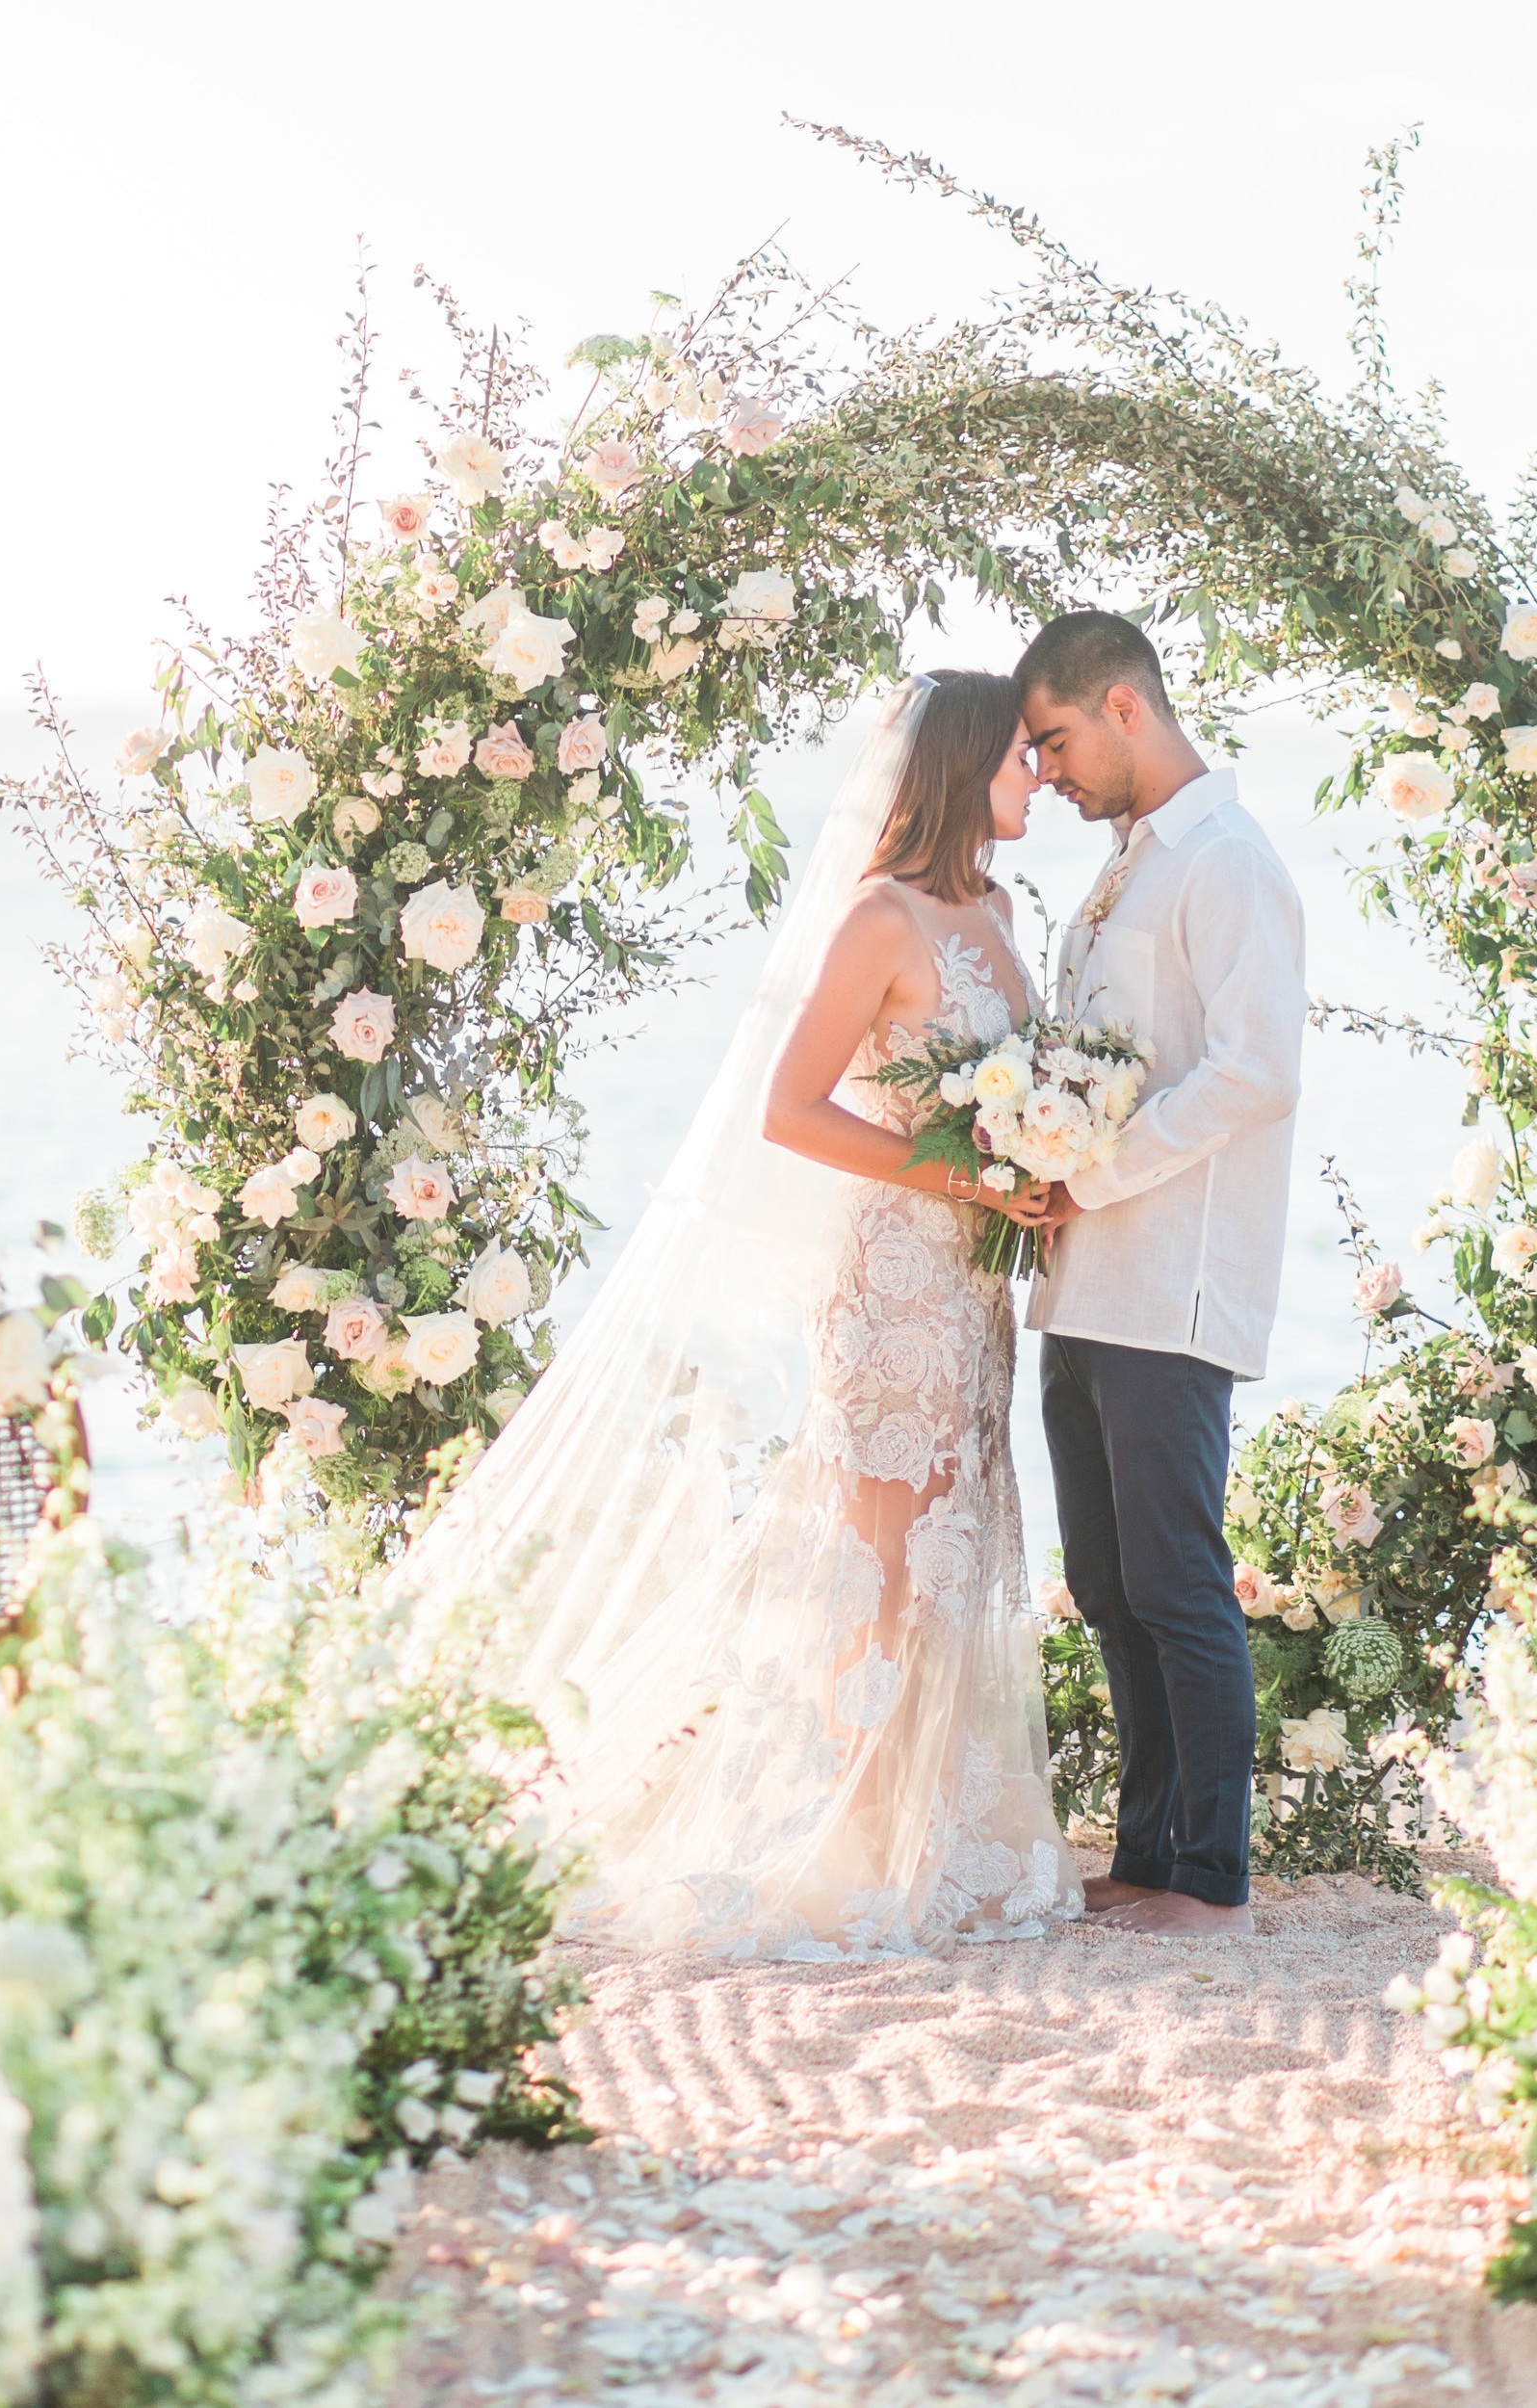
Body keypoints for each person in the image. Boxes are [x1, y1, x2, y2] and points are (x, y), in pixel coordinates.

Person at [405, 672, 1080, 1961]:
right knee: (878, 1566)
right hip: (891, 1281)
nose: (1036, 776)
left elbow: (1008, 1090)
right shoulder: (878, 920)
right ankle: (855, 1839)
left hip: (974, 1286)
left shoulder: (994, 909)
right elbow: (793, 1109)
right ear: (960, 767)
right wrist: (959, 1173)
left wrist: (1037, 1161)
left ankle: (923, 1825)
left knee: (954, 1545)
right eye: (1017, 759)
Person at [1017, 612, 1309, 1937]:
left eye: (1057, 740)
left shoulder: (1228, 865)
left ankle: (1214, 1877)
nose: (1050, 771)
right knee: (1105, 1577)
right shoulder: (1128, 865)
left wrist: (1095, 1174)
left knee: (1180, 1582)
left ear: (1125, 707)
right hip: (1083, 1280)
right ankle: (1146, 1852)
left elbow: (1254, 1070)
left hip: (1171, 1279)